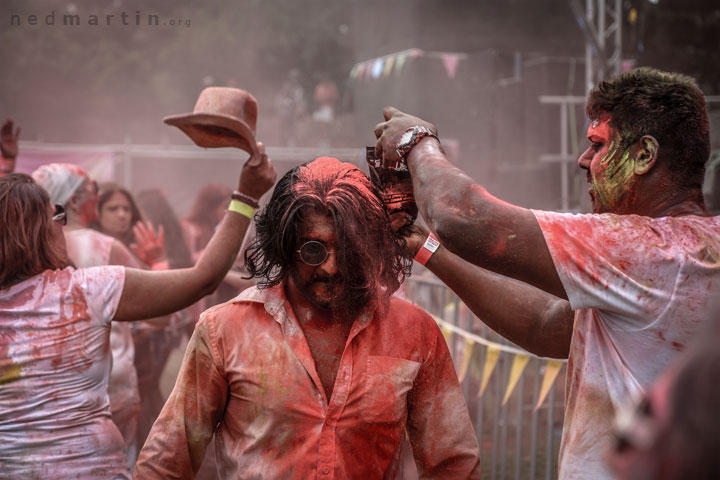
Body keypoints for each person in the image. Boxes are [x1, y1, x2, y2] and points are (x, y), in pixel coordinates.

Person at [374, 67, 720, 479]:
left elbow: (461, 218)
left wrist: (418, 142)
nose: (583, 160)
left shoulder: (651, 249)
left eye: (598, 145)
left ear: (644, 155)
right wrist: (424, 247)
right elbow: (545, 326)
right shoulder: (693, 249)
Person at [135, 157, 481, 479]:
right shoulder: (225, 330)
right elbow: (166, 460)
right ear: (284, 247)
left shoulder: (414, 333)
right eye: (313, 250)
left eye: (347, 250)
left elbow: (452, 465)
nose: (331, 267)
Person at [0, 145, 276, 479]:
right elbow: (202, 280)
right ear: (36, 231)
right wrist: (246, 196)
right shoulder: (86, 290)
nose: (63, 224)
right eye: (55, 216)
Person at [32, 164, 160, 467]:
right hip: (108, 386)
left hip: (52, 387)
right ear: (74, 201)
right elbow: (162, 315)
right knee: (112, 463)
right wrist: (159, 264)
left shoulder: (31, 246)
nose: (98, 196)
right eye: (93, 190)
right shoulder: (107, 247)